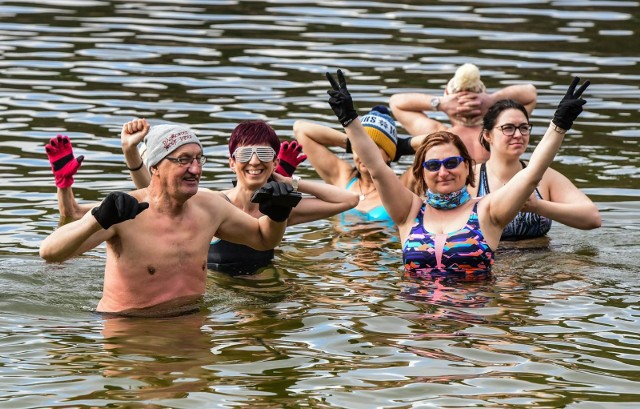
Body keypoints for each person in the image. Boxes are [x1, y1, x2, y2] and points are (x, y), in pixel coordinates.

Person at [325, 68, 590, 283]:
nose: (443, 171)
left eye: (452, 162)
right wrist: (350, 121)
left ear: (468, 167)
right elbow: (378, 169)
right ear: (421, 174)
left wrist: (559, 126)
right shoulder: (408, 211)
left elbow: (532, 174)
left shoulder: (488, 211)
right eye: (433, 165)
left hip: (474, 327)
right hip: (418, 329)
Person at [40, 121, 301, 317]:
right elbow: (50, 253)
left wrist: (277, 215)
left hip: (191, 325)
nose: (196, 169)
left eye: (199, 159)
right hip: (129, 330)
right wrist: (96, 219)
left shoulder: (210, 206)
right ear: (155, 166)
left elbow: (262, 238)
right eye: (184, 160)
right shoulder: (125, 211)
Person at [48, 119, 359, 274]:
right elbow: (153, 201)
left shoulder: (282, 208)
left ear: (274, 161)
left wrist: (288, 182)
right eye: (246, 154)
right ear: (231, 162)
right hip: (218, 284)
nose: (254, 161)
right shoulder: (212, 203)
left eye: (264, 154)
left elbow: (349, 201)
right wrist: (130, 154)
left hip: (263, 285)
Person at [472, 99, 601, 240]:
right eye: (508, 128)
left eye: (524, 128)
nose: (518, 135)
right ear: (487, 135)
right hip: (493, 260)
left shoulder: (545, 176)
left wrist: (538, 206)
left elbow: (592, 218)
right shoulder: (471, 178)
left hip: (542, 258)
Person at [389, 63, 537, 163]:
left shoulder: (437, 134)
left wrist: (440, 104)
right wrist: (492, 100)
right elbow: (530, 94)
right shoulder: (502, 130)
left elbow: (396, 103)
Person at [293, 106, 405, 222]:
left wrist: (404, 147)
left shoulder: (402, 188)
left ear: (389, 155)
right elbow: (300, 129)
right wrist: (353, 141)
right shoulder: (342, 177)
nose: (365, 154)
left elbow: (426, 145)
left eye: (373, 148)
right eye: (360, 148)